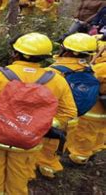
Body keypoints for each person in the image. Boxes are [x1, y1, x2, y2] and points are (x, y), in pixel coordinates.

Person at [0, 33, 76, 195]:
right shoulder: (57, 80)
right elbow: (69, 113)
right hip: (28, 141)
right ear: (45, 58)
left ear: (15, 53)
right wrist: (40, 125)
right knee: (19, 177)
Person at [36, 33, 97, 178]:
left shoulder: (54, 71)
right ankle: (53, 162)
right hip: (73, 117)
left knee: (48, 145)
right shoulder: (89, 68)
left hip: (55, 115)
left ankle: (46, 168)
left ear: (67, 50)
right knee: (61, 143)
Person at [66, 39, 106, 165]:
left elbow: (90, 80)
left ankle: (79, 157)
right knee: (99, 132)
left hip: (95, 109)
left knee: (85, 133)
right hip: (103, 112)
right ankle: (93, 151)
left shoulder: (101, 68)